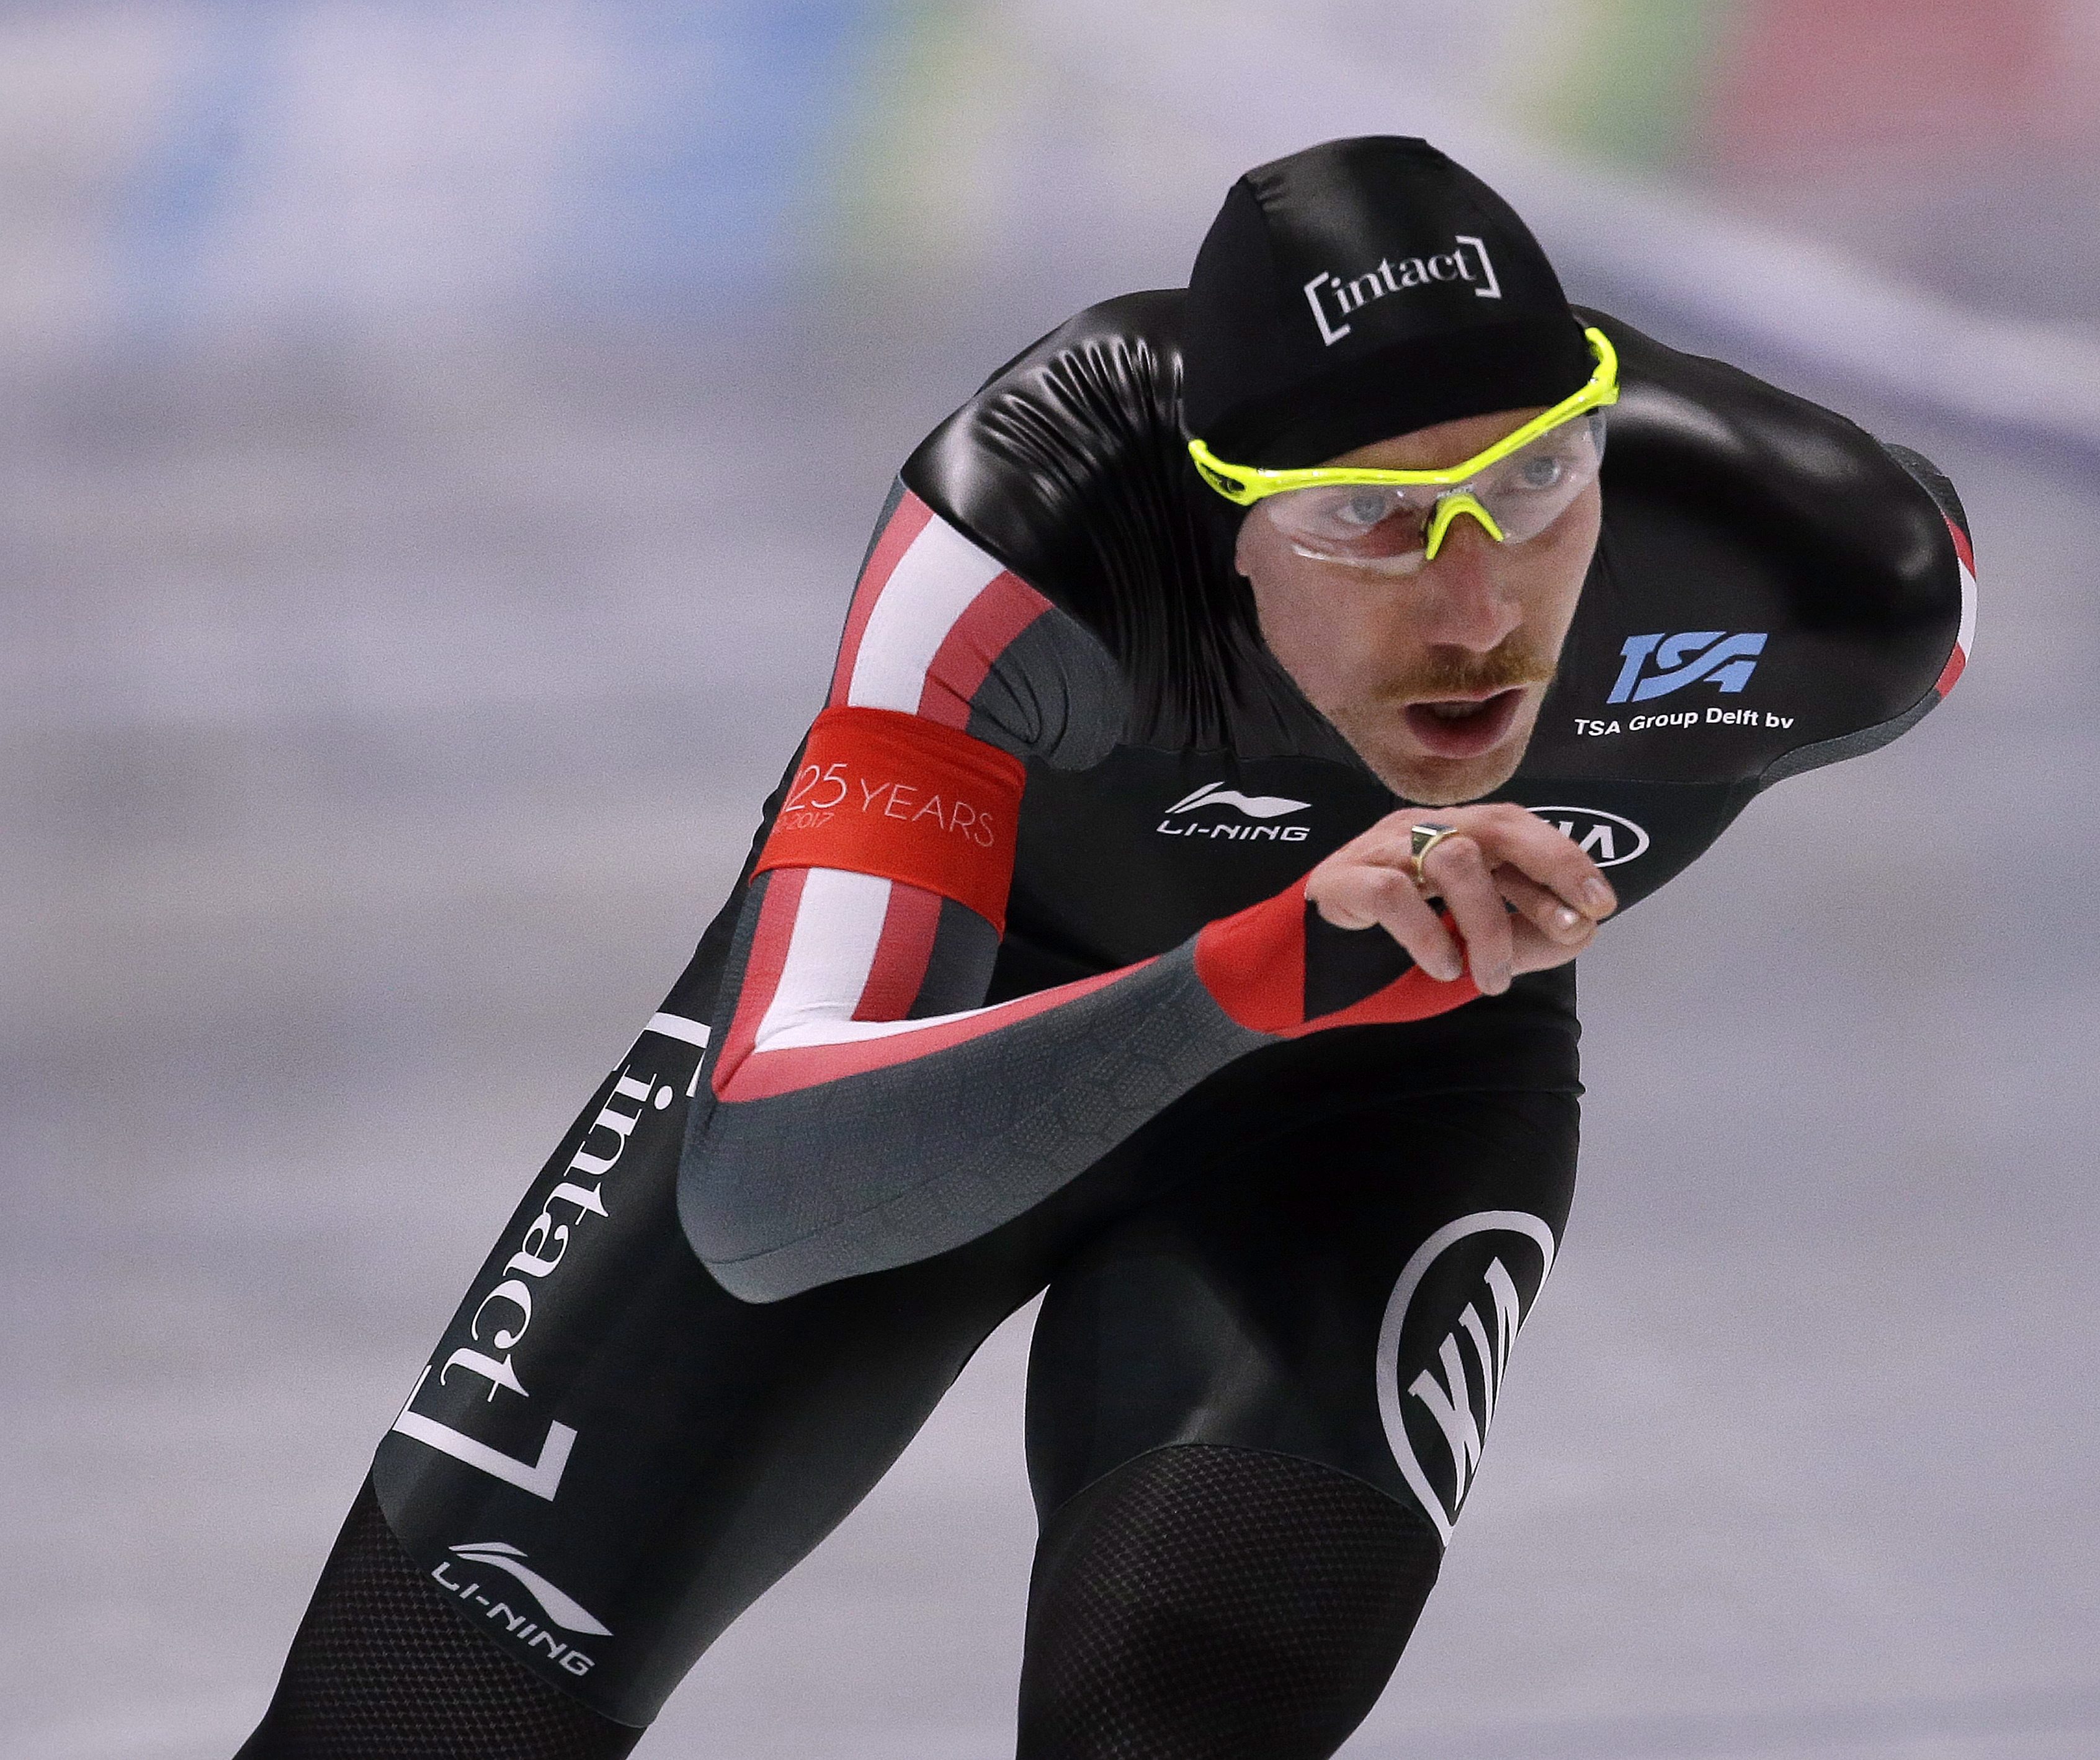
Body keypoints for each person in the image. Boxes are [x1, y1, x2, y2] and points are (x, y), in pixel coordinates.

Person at [234, 135, 1974, 1758]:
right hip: (948, 1032)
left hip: (1372, 1100)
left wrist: (1313, 982)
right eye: (1365, 520)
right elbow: (771, 1199)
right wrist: (1258, 965)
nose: (1475, 609)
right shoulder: (1025, 534)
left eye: (1532, 489)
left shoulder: (1835, 578)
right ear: (1218, 520)